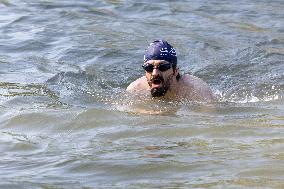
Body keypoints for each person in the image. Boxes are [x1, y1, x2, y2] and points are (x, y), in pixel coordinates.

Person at [127, 40, 214, 102]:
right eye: (149, 67)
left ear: (175, 71)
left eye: (163, 67)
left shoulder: (197, 91)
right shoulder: (135, 90)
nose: (155, 73)